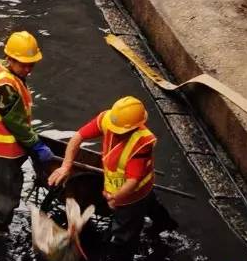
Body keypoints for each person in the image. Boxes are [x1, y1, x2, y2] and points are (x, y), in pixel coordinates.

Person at [47, 95, 176, 252]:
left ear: (134, 127)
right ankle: (166, 224)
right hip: (129, 186)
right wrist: (66, 166)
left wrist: (116, 198)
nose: (115, 132)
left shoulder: (141, 145)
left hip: (132, 195)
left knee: (123, 235)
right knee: (151, 203)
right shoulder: (107, 119)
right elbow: (78, 137)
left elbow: (133, 181)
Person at [0, 31, 55, 239]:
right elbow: (15, 122)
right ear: (10, 59)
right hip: (2, 152)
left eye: (32, 65)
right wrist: (35, 144)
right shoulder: (4, 86)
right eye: (24, 64)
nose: (28, 69)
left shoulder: (8, 74)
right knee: (5, 194)